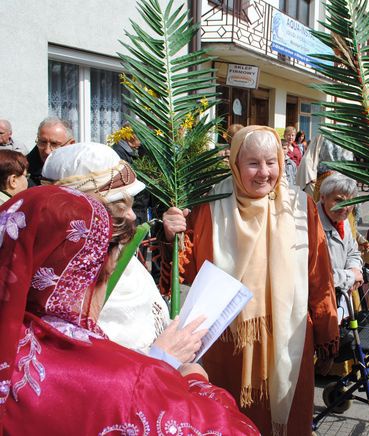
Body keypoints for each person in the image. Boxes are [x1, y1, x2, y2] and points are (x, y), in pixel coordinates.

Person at [0, 186, 258, 434]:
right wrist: (194, 381)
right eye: (110, 273)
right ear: (84, 277)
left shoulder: (12, 347)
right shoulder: (129, 382)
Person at [162, 125, 339, 434]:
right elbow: (184, 270)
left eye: (271, 162)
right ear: (236, 164)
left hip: (289, 340)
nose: (264, 173)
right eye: (253, 163)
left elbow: (318, 274)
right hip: (227, 346)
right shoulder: (212, 206)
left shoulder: (301, 207)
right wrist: (170, 236)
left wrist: (327, 329)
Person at [41, 142, 203, 368]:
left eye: (130, 204)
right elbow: (87, 375)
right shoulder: (63, 288)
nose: (131, 217)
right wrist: (163, 358)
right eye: (118, 206)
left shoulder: (113, 253)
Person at [317, 172, 364, 309]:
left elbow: (353, 251)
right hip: (319, 302)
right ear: (323, 198)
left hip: (341, 299)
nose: (345, 207)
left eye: (350, 202)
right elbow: (315, 274)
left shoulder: (343, 220)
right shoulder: (310, 225)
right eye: (338, 200)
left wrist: (354, 268)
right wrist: (350, 276)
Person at [26, 117, 75, 185]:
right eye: (43, 142)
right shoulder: (21, 171)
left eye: (54, 144)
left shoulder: (82, 170)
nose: (47, 151)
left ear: (71, 144)